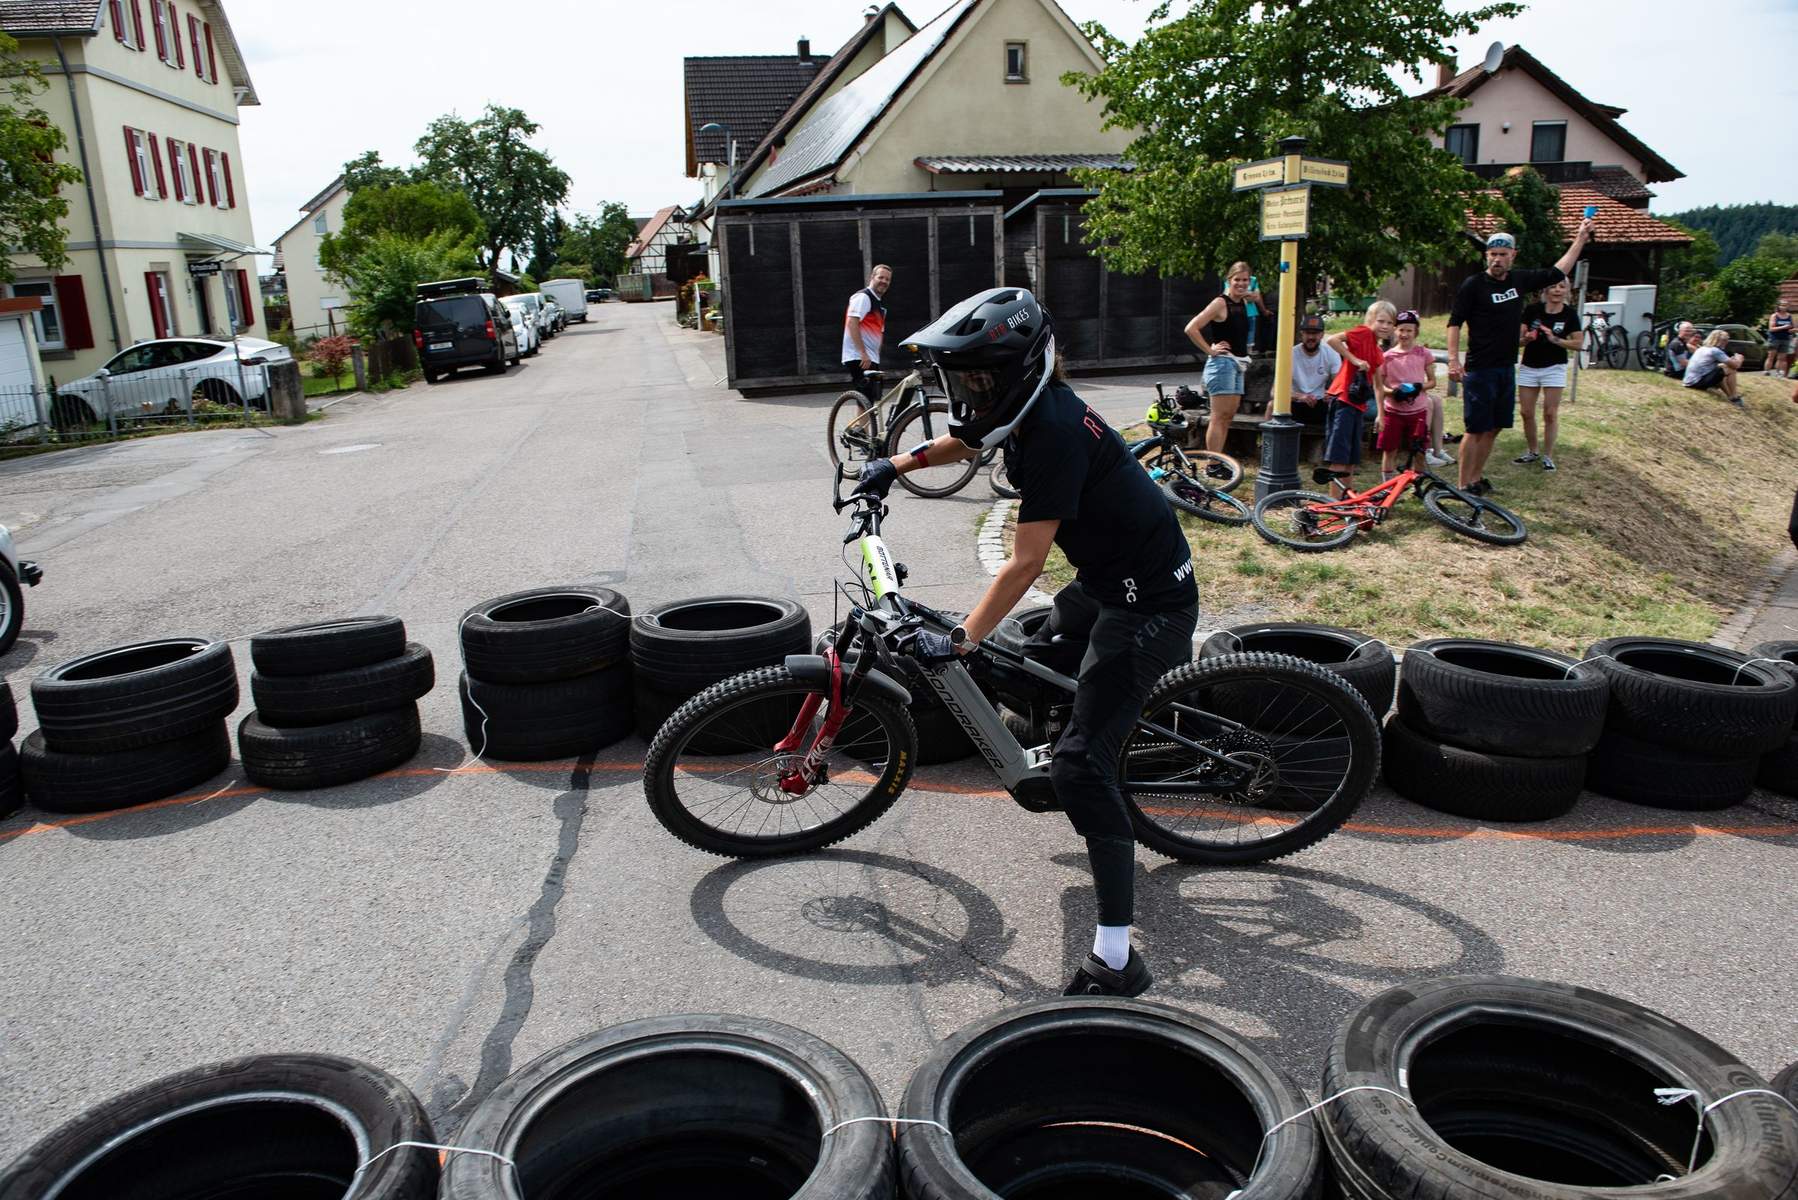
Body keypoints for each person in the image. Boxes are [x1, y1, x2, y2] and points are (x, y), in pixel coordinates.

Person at [853, 287, 1198, 999]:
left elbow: (1024, 563)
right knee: (1021, 656)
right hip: (1108, 583)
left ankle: (1116, 958)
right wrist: (897, 464)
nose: (968, 393)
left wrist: (959, 639)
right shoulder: (1026, 409)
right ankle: (1083, 736)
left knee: (1081, 771)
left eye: (978, 378)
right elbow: (971, 440)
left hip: (1148, 607)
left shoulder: (1054, 434)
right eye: (961, 380)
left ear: (1019, 371)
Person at [1445, 220, 1594, 496]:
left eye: (1503, 254)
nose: (1497, 259)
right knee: (1475, 428)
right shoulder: (1474, 285)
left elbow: (1557, 271)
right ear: (1486, 255)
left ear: (1513, 255)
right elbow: (1454, 323)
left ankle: (1476, 480)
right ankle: (1462, 485)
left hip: (1506, 367)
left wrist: (1580, 239)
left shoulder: (1519, 280)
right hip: (1480, 368)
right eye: (1493, 254)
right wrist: (1453, 360)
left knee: (1495, 426)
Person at [1320, 301, 1395, 496]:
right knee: (1339, 456)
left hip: (1358, 405)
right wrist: (1354, 359)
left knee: (1352, 456)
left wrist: (1381, 414)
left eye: (1389, 323)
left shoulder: (1377, 351)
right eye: (1381, 321)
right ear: (1371, 320)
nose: (1385, 326)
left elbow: (1378, 386)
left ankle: (1347, 497)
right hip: (1343, 399)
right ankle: (1334, 501)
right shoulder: (1363, 333)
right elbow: (1332, 340)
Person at [1184, 263, 1255, 457]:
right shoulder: (1220, 303)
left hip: (1239, 364)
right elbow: (1191, 328)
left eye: (1245, 280)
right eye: (1237, 280)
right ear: (1229, 280)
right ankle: (1213, 463)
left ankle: (1219, 459)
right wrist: (1210, 350)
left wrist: (1254, 297)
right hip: (1222, 364)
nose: (1241, 284)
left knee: (1228, 416)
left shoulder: (1244, 302)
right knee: (1218, 417)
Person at [1513, 280, 1584, 473]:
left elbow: (1578, 344)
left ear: (1567, 291)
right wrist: (1526, 339)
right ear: (1546, 290)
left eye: (1562, 287)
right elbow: (1516, 341)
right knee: (1526, 412)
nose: (1557, 290)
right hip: (1529, 366)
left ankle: (1548, 456)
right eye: (1553, 286)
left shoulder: (1569, 314)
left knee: (1550, 413)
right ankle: (1533, 451)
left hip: (1554, 367)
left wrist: (1556, 339)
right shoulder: (1532, 310)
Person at [1377, 310, 1437, 478]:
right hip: (1393, 411)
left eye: (1409, 330)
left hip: (1417, 411)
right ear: (1395, 331)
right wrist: (1393, 392)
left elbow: (1432, 381)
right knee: (1389, 449)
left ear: (1415, 332)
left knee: (1419, 450)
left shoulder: (1423, 353)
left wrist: (1419, 387)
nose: (1404, 334)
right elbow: (1379, 385)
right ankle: (1387, 486)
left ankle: (1418, 482)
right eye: (1401, 330)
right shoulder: (1387, 356)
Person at [842, 265, 893, 404]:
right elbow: (852, 323)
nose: (884, 281)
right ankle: (862, 421)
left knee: (870, 400)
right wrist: (863, 353)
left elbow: (879, 333)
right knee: (866, 399)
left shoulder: (879, 305)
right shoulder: (864, 297)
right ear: (872, 277)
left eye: (887, 279)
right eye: (881, 277)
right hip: (860, 357)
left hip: (870, 358)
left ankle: (863, 420)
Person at [1289, 314, 1340, 429]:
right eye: (1307, 333)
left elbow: (1338, 384)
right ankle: (1268, 440)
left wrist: (1331, 394)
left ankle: (1332, 440)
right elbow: (1274, 392)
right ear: (1301, 334)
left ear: (1322, 335)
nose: (1311, 337)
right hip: (1294, 403)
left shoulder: (1331, 353)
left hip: (1319, 403)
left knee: (1339, 408)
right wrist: (1300, 396)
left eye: (1315, 333)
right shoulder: (1290, 354)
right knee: (1272, 405)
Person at [1683, 329, 1745, 405]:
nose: (1727, 342)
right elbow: (1736, 366)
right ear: (1718, 340)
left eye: (1727, 339)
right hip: (1697, 382)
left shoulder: (1702, 348)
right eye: (1725, 340)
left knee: (1720, 370)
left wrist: (1731, 362)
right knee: (1731, 370)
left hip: (1689, 381)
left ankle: (1730, 396)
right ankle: (1735, 396)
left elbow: (1719, 366)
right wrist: (1739, 359)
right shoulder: (1715, 351)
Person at [1765, 301, 1794, 377]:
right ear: (1778, 306)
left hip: (1785, 339)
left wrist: (1793, 330)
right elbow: (1771, 329)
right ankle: (1767, 371)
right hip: (1774, 338)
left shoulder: (1789, 316)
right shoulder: (1774, 316)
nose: (1784, 307)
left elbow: (1792, 328)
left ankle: (1778, 373)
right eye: (1782, 305)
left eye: (1786, 305)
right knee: (1771, 356)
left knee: (1781, 358)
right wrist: (1784, 327)